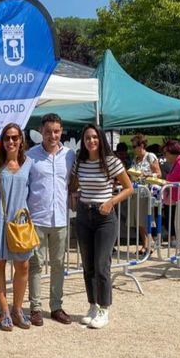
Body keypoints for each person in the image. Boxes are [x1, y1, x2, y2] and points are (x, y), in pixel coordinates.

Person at [71, 124, 133, 329]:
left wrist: (111, 202)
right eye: (88, 138)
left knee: (101, 264)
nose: (91, 141)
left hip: (104, 216)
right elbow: (73, 185)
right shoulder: (79, 162)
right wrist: (74, 195)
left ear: (101, 139)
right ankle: (92, 305)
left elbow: (128, 188)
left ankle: (104, 308)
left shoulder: (111, 162)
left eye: (95, 137)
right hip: (83, 215)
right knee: (87, 264)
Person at [27, 113, 75, 326]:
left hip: (61, 219)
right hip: (37, 218)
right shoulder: (30, 156)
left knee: (58, 264)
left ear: (61, 131)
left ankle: (56, 306)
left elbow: (73, 182)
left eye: (56, 131)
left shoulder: (69, 155)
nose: (52, 135)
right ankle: (35, 308)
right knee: (36, 264)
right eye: (48, 132)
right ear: (41, 132)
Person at [0, 123, 34, 331]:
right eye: (7, 138)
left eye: (15, 137)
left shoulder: (29, 163)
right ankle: (4, 309)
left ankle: (18, 308)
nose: (11, 141)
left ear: (21, 139)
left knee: (22, 265)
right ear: (2, 141)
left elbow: (32, 191)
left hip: (20, 219)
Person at [130, 134, 161, 256]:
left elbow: (158, 173)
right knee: (138, 220)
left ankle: (149, 244)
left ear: (141, 145)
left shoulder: (150, 157)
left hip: (146, 192)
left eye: (134, 146)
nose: (133, 149)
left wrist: (147, 175)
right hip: (136, 191)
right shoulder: (135, 159)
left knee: (145, 219)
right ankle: (146, 243)